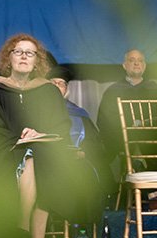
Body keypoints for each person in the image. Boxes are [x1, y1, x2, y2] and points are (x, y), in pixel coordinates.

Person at [0, 34, 73, 238]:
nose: (23, 56)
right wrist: (20, 137)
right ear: (8, 59)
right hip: (4, 152)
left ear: (36, 61)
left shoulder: (49, 92)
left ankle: (24, 227)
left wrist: (37, 133)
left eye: (29, 53)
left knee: (38, 159)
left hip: (45, 152)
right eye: (18, 51)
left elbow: (61, 126)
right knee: (34, 160)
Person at [47, 65, 112, 223]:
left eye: (60, 84)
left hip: (78, 164)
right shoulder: (37, 112)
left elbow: (94, 144)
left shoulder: (79, 113)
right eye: (53, 84)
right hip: (48, 165)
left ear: (66, 88)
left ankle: (82, 232)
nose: (57, 87)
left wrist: (84, 153)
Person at [96, 49, 157, 163]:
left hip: (155, 144)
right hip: (123, 143)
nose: (136, 63)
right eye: (132, 60)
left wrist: (145, 125)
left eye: (140, 60)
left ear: (144, 66)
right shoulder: (113, 91)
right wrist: (131, 128)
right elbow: (106, 121)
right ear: (125, 65)